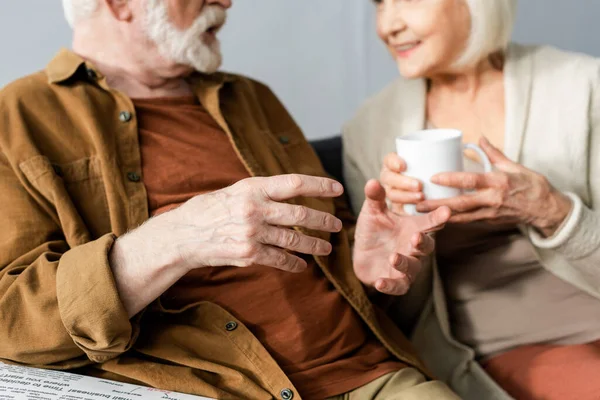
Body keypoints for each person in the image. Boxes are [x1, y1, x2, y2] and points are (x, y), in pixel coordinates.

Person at [0, 1, 461, 399]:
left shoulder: (251, 98)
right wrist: (175, 239)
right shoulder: (18, 118)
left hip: (376, 376)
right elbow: (10, 318)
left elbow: (329, 240)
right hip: (217, 388)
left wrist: (364, 266)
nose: (227, 2)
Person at [343, 0, 600, 399]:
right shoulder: (370, 128)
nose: (388, 25)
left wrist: (553, 211)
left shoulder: (585, 86)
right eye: (379, 4)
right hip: (507, 346)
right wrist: (395, 264)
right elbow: (399, 319)